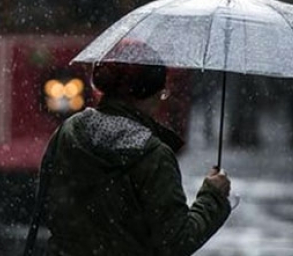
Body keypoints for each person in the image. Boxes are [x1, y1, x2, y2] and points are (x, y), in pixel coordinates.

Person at [29, 44, 233, 256]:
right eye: (162, 94)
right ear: (149, 94)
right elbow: (177, 241)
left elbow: (46, 206)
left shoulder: (68, 132)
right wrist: (213, 196)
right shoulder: (153, 155)